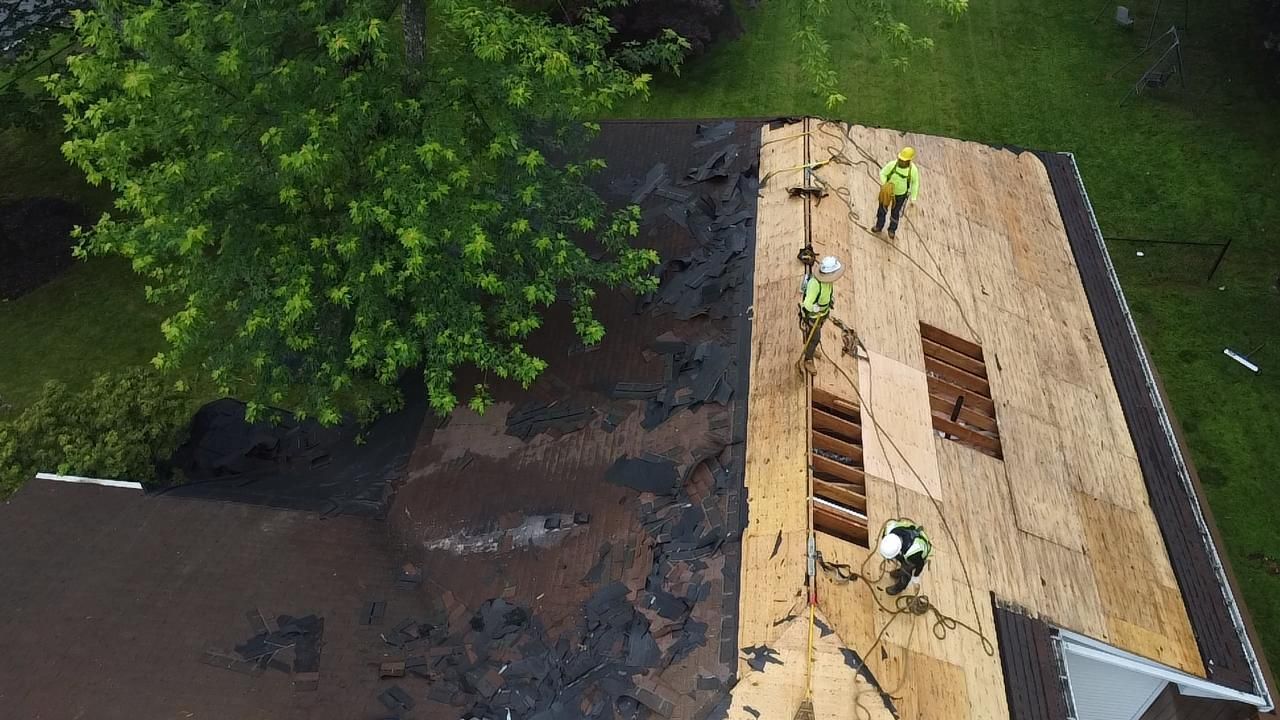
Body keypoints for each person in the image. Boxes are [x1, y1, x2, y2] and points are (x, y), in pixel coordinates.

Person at [871, 147, 920, 240]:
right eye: (900, 159)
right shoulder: (892, 165)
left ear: (909, 161)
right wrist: (885, 185)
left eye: (904, 160)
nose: (901, 161)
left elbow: (915, 183)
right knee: (882, 209)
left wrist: (913, 198)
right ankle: (879, 226)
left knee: (895, 212)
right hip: (888, 194)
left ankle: (892, 230)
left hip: (900, 195)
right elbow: (883, 173)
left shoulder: (913, 170)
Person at [877, 518, 933, 596]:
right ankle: (900, 571)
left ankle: (899, 586)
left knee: (907, 570)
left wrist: (916, 576)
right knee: (902, 560)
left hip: (920, 552)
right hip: (906, 544)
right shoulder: (889, 529)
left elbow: (920, 564)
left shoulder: (913, 552)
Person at [800, 255, 844, 322]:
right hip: (814, 316)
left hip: (824, 312)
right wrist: (814, 308)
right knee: (814, 329)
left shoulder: (828, 281)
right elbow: (807, 304)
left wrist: (830, 298)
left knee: (821, 322)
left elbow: (827, 292)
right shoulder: (814, 284)